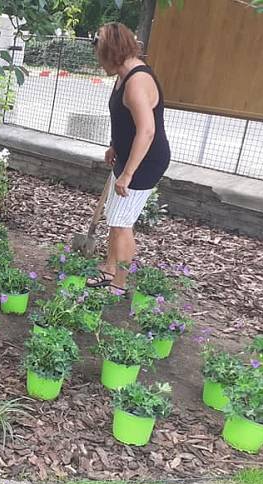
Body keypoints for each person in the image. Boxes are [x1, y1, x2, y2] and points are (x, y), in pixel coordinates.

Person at [87, 22, 170, 294]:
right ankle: (109, 269)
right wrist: (114, 145)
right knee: (115, 217)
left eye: (100, 55)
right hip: (127, 156)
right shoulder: (123, 75)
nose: (100, 64)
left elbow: (146, 131)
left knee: (122, 224)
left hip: (145, 162)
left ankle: (119, 285)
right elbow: (124, 120)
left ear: (111, 52)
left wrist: (128, 173)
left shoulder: (136, 82)